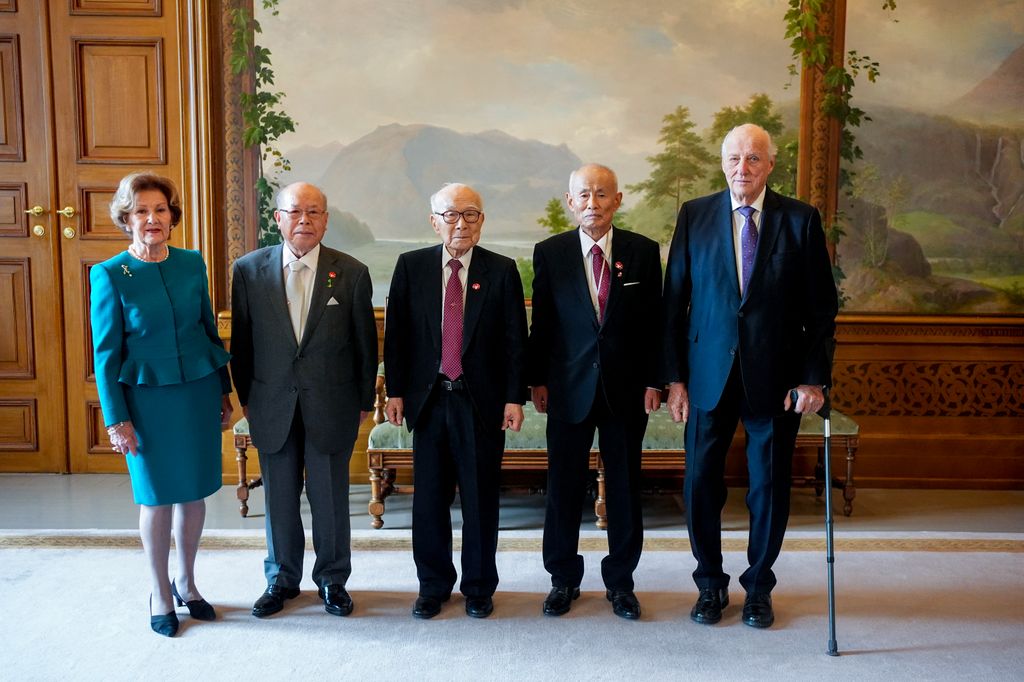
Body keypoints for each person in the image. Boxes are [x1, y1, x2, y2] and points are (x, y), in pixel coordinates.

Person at [662, 123, 839, 629]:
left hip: (777, 380)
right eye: (735, 158)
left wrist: (812, 379)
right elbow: (674, 302)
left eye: (754, 159)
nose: (743, 168)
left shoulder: (800, 220)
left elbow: (821, 310)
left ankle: (759, 587)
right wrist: (674, 378)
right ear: (723, 163)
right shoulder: (694, 216)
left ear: (770, 165)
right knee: (700, 484)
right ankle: (710, 585)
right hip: (706, 377)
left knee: (768, 486)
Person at [91, 172, 233, 637]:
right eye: (141, 211)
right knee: (155, 498)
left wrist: (223, 391)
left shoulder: (192, 264)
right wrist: (116, 419)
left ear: (172, 216)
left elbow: (209, 332)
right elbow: (106, 354)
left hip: (196, 392)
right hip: (145, 401)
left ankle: (187, 583)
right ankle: (159, 591)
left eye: (160, 210)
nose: (152, 219)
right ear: (127, 219)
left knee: (193, 492)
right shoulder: (110, 274)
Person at [230, 182, 377, 619]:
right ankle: (281, 580)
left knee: (330, 497)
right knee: (278, 496)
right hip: (271, 402)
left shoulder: (351, 272)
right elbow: (242, 343)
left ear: (326, 220)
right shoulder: (248, 270)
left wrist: (364, 399)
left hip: (332, 403)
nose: (305, 221)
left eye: (314, 213)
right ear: (278, 219)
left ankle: (332, 580)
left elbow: (365, 346)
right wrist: (247, 399)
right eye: (295, 212)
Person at [384, 183, 528, 620]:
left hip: (481, 403)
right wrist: (395, 391)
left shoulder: (501, 270)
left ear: (482, 221)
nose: (461, 223)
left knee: (481, 500)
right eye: (451, 215)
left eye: (470, 214)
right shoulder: (411, 267)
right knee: (428, 500)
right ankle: (433, 586)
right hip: (428, 402)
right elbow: (398, 336)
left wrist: (513, 398)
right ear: (434, 221)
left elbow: (514, 341)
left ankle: (480, 586)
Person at [527, 163, 663, 620]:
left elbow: (652, 326)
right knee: (563, 488)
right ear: (571, 202)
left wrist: (653, 380)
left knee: (625, 488)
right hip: (567, 387)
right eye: (583, 195)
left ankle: (620, 582)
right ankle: (563, 579)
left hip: (626, 390)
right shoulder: (550, 253)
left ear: (617, 200)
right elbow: (542, 323)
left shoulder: (643, 252)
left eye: (602, 194)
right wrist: (538, 379)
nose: (593, 203)